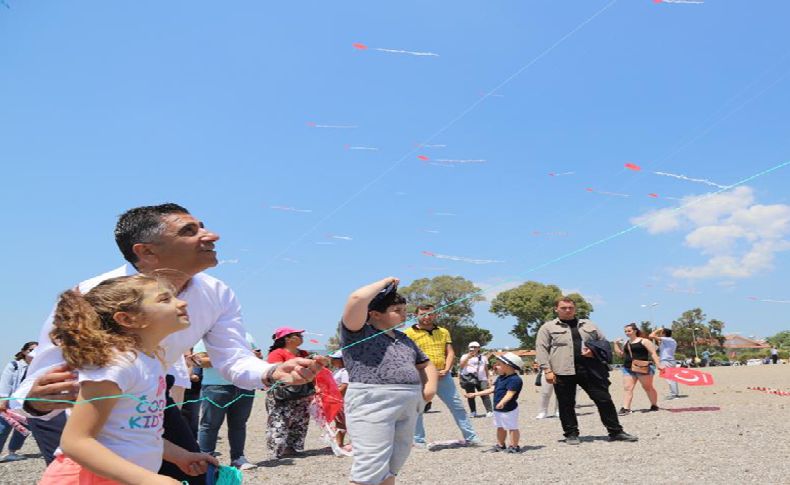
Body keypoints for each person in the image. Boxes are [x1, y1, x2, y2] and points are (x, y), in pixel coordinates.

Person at [14, 204, 322, 481]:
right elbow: (42, 389)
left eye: (203, 225)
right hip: (75, 414)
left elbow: (231, 357)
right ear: (146, 252)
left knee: (198, 472)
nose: (212, 235)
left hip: (144, 403)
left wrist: (273, 372)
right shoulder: (92, 296)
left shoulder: (217, 293)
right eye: (190, 231)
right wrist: (38, 403)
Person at [38, 274, 218, 484]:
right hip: (87, 478)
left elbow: (139, 432)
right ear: (127, 319)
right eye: (164, 299)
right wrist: (147, 479)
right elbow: (75, 441)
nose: (182, 302)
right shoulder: (116, 363)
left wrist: (181, 456)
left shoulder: (151, 362)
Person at [341, 277, 437, 485]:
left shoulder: (404, 339)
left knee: (394, 463)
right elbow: (356, 298)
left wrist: (429, 390)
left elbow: (426, 364)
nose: (404, 314)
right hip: (373, 402)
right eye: (397, 309)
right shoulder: (358, 333)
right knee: (371, 463)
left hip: (409, 404)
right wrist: (384, 283)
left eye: (404, 309)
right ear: (375, 313)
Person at [536, 297, 637, 445]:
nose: (567, 310)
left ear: (575, 309)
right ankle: (571, 434)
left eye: (570, 307)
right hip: (563, 371)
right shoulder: (547, 328)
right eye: (563, 308)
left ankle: (616, 432)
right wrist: (547, 370)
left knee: (604, 399)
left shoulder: (589, 324)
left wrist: (594, 351)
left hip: (590, 369)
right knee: (566, 403)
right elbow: (541, 349)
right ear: (556, 309)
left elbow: (603, 343)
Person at [404, 304, 479, 448]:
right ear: (416, 316)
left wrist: (446, 368)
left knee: (457, 405)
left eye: (431, 314)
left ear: (436, 315)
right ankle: (418, 440)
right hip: (422, 375)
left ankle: (471, 437)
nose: (427, 317)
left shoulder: (443, 331)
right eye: (423, 314)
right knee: (418, 408)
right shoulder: (408, 333)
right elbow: (407, 355)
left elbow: (450, 352)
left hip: (444, 375)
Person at [193, 332, 259, 469]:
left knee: (239, 424)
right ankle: (206, 459)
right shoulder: (207, 337)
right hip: (216, 386)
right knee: (209, 425)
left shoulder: (247, 335)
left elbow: (258, 357)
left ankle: (238, 458)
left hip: (244, 385)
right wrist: (233, 358)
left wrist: (254, 357)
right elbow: (200, 361)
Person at [265, 327, 314, 459]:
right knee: (279, 420)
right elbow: (276, 373)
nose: (301, 337)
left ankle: (292, 447)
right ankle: (276, 450)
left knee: (300, 419)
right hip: (282, 393)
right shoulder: (277, 353)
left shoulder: (303, 353)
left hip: (302, 392)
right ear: (287, 338)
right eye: (297, 335)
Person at [464, 352, 524, 453]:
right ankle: (500, 445)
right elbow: (492, 389)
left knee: (512, 427)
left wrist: (502, 402)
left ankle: (514, 446)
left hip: (509, 409)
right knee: (500, 427)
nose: (496, 366)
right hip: (498, 409)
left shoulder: (515, 379)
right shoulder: (501, 378)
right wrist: (475, 394)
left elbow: (510, 394)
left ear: (508, 366)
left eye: (499, 364)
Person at [613, 324, 663, 415]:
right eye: (625, 331)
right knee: (628, 388)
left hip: (642, 367)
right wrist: (615, 344)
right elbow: (621, 355)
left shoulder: (644, 341)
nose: (627, 333)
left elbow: (653, 353)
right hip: (628, 368)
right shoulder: (626, 343)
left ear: (635, 331)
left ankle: (654, 405)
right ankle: (626, 408)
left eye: (629, 331)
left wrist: (658, 365)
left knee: (648, 387)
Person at [0, 341, 37, 462]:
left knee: (22, 429)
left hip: (25, 405)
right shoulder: (14, 365)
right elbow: (6, 383)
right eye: (31, 350)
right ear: (24, 352)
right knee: (3, 428)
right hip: (10, 403)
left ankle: (12, 452)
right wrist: (3, 400)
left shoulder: (38, 368)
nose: (34, 353)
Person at [458, 342, 493, 418]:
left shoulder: (483, 357)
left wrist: (489, 378)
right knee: (470, 395)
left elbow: (486, 369)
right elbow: (461, 366)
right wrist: (468, 357)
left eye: (475, 347)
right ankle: (473, 412)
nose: (473, 348)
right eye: (471, 347)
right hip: (469, 378)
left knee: (484, 394)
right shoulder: (464, 356)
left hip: (482, 378)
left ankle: (489, 411)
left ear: (479, 348)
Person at [649, 328, 680, 399]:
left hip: (667, 361)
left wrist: (657, 330)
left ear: (664, 334)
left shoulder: (668, 339)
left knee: (670, 377)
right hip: (668, 360)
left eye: (661, 332)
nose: (660, 334)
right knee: (670, 377)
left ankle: (674, 394)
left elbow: (651, 336)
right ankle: (674, 393)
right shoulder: (668, 341)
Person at [330, 350, 351, 452]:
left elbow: (344, 385)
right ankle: (339, 443)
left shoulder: (345, 371)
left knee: (345, 422)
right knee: (339, 423)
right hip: (336, 400)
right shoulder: (337, 371)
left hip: (342, 400)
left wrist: (332, 394)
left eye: (335, 359)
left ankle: (352, 443)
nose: (332, 360)